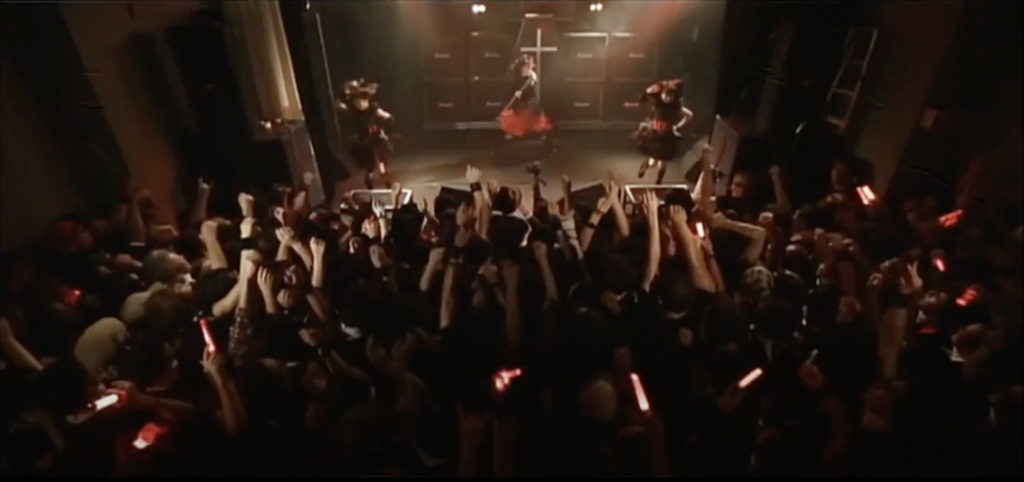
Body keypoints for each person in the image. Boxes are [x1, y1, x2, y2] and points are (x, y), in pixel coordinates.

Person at [336, 79, 396, 189]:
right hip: (362, 139)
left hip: (373, 135)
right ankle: (372, 178)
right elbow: (339, 105)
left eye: (364, 100)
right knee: (370, 162)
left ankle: (384, 178)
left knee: (380, 158)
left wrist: (388, 118)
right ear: (354, 101)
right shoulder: (352, 109)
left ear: (367, 100)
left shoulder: (372, 108)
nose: (361, 103)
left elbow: (383, 114)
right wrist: (344, 95)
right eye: (358, 100)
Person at [632, 79, 694, 185]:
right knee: (653, 162)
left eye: (671, 97)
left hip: (667, 136)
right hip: (655, 135)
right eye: (666, 96)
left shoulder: (675, 106)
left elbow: (689, 115)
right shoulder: (658, 103)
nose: (668, 99)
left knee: (662, 163)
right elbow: (647, 93)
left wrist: (678, 126)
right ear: (662, 94)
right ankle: (645, 166)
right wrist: (654, 88)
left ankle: (659, 182)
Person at [494, 55, 556, 159]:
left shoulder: (531, 78)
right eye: (526, 67)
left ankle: (550, 150)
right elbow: (512, 93)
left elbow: (532, 94)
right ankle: (498, 152)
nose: (528, 69)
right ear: (521, 68)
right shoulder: (517, 80)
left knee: (541, 131)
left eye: (529, 67)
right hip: (519, 110)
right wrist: (516, 94)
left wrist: (527, 90)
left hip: (530, 109)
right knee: (509, 133)